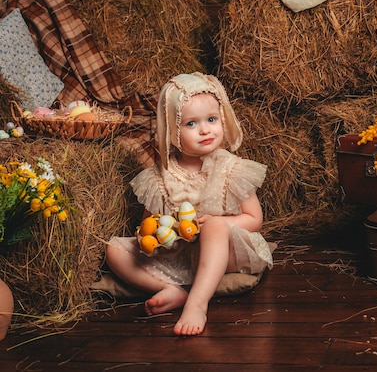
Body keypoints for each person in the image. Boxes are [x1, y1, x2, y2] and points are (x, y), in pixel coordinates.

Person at [105, 73, 273, 336]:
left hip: (226, 253)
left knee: (215, 226)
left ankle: (197, 302)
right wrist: (156, 232)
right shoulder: (161, 176)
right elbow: (149, 224)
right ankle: (169, 289)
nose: (205, 130)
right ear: (172, 130)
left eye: (211, 120)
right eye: (191, 123)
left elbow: (254, 220)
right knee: (113, 249)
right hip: (180, 255)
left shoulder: (231, 169)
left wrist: (219, 223)